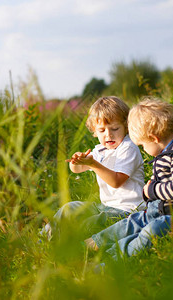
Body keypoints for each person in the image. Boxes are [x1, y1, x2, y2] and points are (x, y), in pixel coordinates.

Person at [84, 97, 173, 258]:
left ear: (154, 139)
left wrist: (152, 190)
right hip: (162, 209)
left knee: (150, 232)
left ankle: (113, 258)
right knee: (132, 222)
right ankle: (95, 243)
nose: (143, 149)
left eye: (143, 145)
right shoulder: (168, 151)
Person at [41, 96, 145, 239]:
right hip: (106, 207)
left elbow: (116, 181)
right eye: (102, 130)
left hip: (129, 211)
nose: (108, 134)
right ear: (94, 131)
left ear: (126, 127)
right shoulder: (100, 150)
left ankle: (70, 245)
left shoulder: (128, 148)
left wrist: (93, 164)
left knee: (89, 223)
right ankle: (42, 239)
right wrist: (77, 161)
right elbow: (76, 170)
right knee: (69, 208)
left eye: (115, 128)